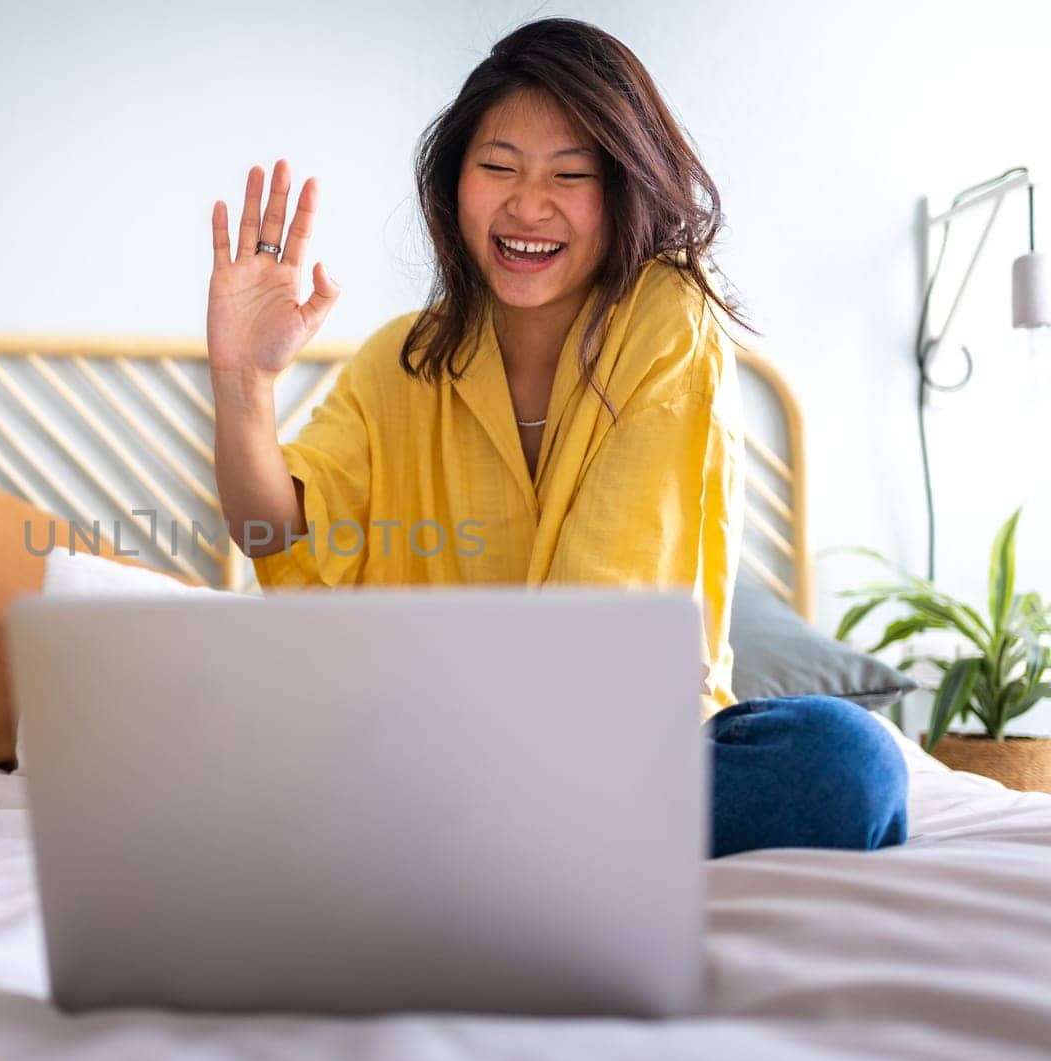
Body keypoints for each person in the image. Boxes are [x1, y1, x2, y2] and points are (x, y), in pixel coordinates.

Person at [205, 17, 907, 859]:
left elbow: (605, 633)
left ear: (624, 191)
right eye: (497, 167)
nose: (527, 206)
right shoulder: (399, 358)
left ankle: (464, 830)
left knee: (845, 761)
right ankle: (471, 828)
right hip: (428, 754)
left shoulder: (667, 320)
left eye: (570, 176)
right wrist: (243, 386)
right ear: (453, 183)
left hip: (612, 752)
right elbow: (277, 544)